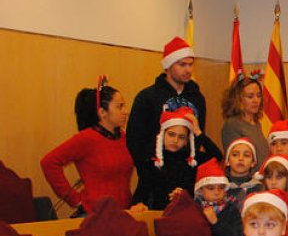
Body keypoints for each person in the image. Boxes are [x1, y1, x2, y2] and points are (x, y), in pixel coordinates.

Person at [41, 78, 135, 215]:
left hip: (123, 212)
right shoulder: (86, 138)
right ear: (103, 112)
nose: (125, 111)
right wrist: (74, 199)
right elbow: (49, 162)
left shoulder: (124, 137)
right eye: (119, 106)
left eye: (124, 106)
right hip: (94, 214)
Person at [127, 36, 207, 193]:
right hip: (153, 179)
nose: (188, 70)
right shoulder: (147, 97)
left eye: (191, 65)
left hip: (186, 178)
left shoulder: (197, 98)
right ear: (168, 66)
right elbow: (134, 140)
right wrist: (148, 168)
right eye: (182, 64)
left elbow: (198, 137)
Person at [134, 107, 221, 210]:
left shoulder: (193, 160)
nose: (175, 140)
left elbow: (217, 156)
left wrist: (198, 132)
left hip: (187, 214)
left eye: (181, 137)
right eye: (171, 135)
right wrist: (140, 204)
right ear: (162, 135)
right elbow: (141, 193)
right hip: (158, 215)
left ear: (186, 141)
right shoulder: (152, 161)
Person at [194, 159, 240, 236]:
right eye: (211, 188)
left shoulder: (231, 209)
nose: (216, 192)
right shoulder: (195, 208)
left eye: (221, 187)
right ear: (201, 190)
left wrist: (216, 223)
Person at [219, 74, 269, 161]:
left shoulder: (257, 124)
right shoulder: (232, 125)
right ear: (238, 99)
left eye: (258, 96)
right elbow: (236, 162)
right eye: (250, 96)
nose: (256, 100)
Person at [222, 137, 260, 214]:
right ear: (227, 161)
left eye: (246, 155)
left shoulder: (259, 188)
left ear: (253, 163)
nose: (241, 158)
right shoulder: (220, 187)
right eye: (235, 155)